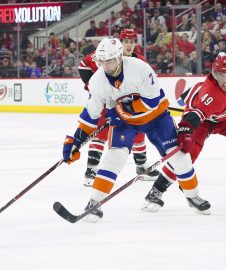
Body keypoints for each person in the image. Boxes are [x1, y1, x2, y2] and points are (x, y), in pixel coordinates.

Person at [62, 37, 210, 222]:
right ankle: (94, 202)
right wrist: (75, 140)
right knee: (114, 158)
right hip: (125, 122)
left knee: (179, 157)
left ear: (119, 57)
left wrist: (121, 109)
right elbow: (90, 115)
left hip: (156, 117)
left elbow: (152, 101)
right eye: (102, 62)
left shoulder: (140, 68)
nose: (105, 66)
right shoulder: (97, 80)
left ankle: (192, 195)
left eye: (109, 61)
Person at [144, 55, 226, 212]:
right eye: (220, 75)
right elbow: (195, 115)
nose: (225, 80)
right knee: (187, 154)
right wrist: (186, 130)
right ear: (213, 74)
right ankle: (156, 191)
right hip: (203, 120)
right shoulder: (210, 93)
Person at [78, 29, 159, 186]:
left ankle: (141, 166)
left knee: (138, 131)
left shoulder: (139, 60)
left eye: (132, 41)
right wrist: (93, 89)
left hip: (127, 105)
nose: (129, 45)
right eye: (126, 41)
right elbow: (83, 65)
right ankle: (91, 170)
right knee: (100, 132)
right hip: (105, 100)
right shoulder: (107, 53)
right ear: (120, 44)